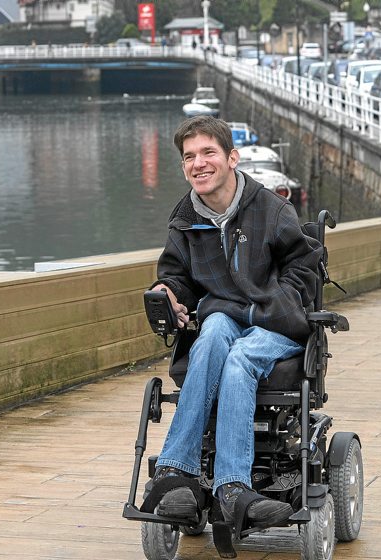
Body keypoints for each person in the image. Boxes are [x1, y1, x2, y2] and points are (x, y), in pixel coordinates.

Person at [147, 116, 321, 528]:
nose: (198, 163)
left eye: (208, 152)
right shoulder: (185, 218)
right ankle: (175, 474)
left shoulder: (272, 209)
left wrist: (277, 302)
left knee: (240, 357)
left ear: (232, 158)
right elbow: (178, 276)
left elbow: (304, 269)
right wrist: (168, 291)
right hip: (222, 319)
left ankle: (231, 488)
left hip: (275, 324)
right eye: (189, 156)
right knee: (211, 336)